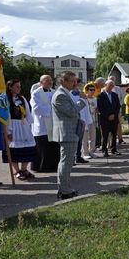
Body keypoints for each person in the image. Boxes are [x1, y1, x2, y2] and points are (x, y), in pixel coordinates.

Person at [52, 71, 86, 200]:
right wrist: (82, 101)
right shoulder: (60, 95)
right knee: (66, 162)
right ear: (64, 81)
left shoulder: (65, 93)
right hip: (67, 133)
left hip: (70, 132)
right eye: (72, 81)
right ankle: (64, 190)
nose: (75, 83)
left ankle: (65, 188)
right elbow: (71, 112)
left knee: (67, 161)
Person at [1, 80, 38, 180]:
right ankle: (17, 171)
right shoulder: (6, 100)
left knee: (27, 147)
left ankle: (24, 169)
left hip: (23, 125)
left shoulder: (22, 98)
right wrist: (8, 131)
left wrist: (29, 125)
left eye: (19, 86)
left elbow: (28, 112)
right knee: (14, 150)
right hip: (12, 125)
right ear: (10, 87)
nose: (19, 88)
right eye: (17, 86)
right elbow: (6, 116)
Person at [31, 74, 61, 172]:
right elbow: (36, 108)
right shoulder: (36, 93)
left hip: (54, 123)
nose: (49, 82)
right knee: (43, 147)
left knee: (53, 146)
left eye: (50, 80)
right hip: (42, 124)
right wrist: (51, 109)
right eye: (46, 80)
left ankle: (53, 166)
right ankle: (40, 167)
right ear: (41, 82)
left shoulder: (54, 92)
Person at [97, 80, 121, 157]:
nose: (111, 87)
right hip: (105, 119)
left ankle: (114, 150)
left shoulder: (115, 95)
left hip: (114, 118)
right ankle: (104, 151)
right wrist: (108, 116)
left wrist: (114, 115)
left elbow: (118, 106)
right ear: (105, 85)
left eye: (112, 85)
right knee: (105, 135)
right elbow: (100, 108)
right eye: (110, 85)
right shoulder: (100, 96)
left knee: (114, 135)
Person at [72, 80, 91, 164]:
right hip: (73, 119)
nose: (76, 85)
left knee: (79, 139)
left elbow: (86, 106)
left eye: (77, 83)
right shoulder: (68, 93)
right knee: (73, 140)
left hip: (82, 119)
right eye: (75, 83)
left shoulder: (81, 93)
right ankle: (72, 158)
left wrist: (87, 119)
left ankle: (78, 156)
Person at [82, 83, 98, 159]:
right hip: (85, 120)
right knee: (85, 138)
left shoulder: (95, 99)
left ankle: (91, 152)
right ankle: (85, 153)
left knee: (92, 137)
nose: (92, 91)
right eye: (91, 90)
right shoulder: (83, 98)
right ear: (86, 90)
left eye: (93, 90)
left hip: (93, 120)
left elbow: (96, 110)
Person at [108, 75, 125, 145]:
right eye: (111, 79)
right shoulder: (104, 89)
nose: (112, 81)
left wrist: (118, 106)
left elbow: (122, 98)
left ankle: (120, 139)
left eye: (113, 79)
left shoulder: (118, 88)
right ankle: (110, 141)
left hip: (117, 110)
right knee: (109, 126)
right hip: (109, 111)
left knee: (118, 124)